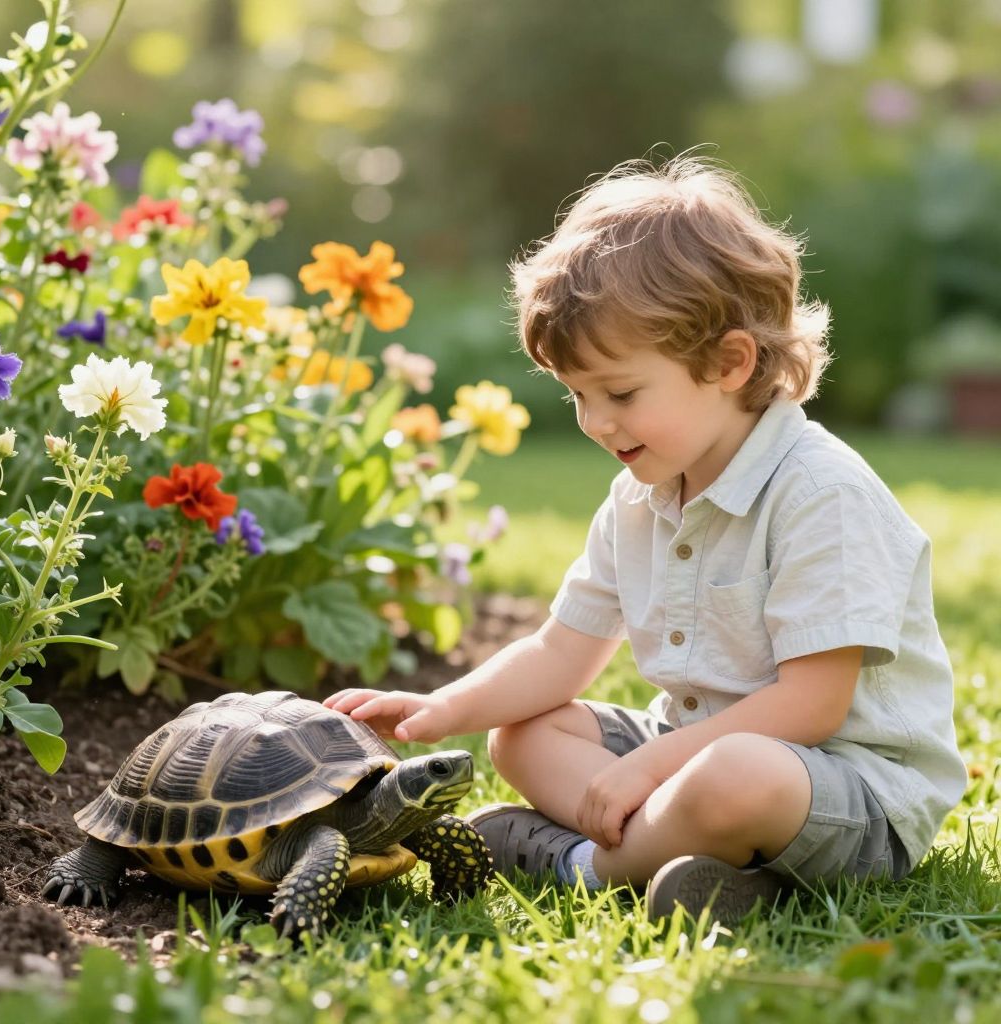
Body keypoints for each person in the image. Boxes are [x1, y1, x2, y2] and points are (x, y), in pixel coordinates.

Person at [323, 154, 967, 925]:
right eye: (578, 396)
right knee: (524, 734)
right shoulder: (640, 498)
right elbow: (560, 654)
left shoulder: (820, 492)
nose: (596, 423)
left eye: (621, 393)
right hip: (696, 751)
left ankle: (584, 865)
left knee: (733, 776)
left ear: (730, 362)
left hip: (848, 791)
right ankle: (710, 872)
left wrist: (655, 766)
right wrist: (441, 705)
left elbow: (813, 705)